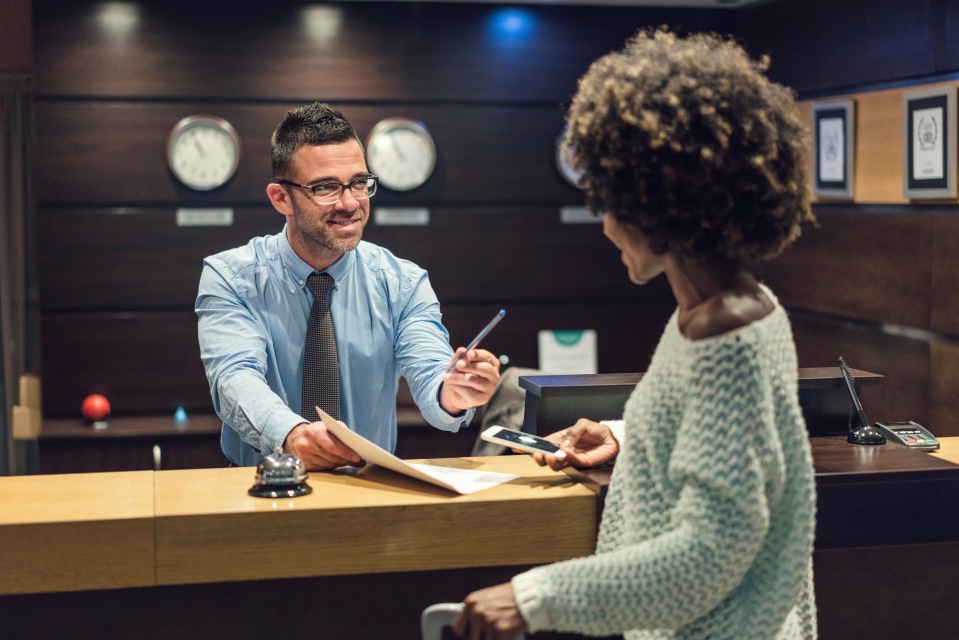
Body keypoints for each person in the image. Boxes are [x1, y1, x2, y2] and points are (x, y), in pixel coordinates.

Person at [453, 28, 818, 640]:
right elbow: (722, 434)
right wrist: (626, 435)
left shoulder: (728, 334)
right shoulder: (727, 308)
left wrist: (532, 597)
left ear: (663, 205)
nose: (607, 227)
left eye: (614, 202)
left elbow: (708, 552)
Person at [196, 102, 500, 470]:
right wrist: (293, 434)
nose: (350, 202)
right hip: (262, 486)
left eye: (359, 183)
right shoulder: (230, 277)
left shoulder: (402, 282)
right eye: (325, 187)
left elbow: (431, 370)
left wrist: (452, 392)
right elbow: (235, 379)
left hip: (368, 488)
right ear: (281, 198)